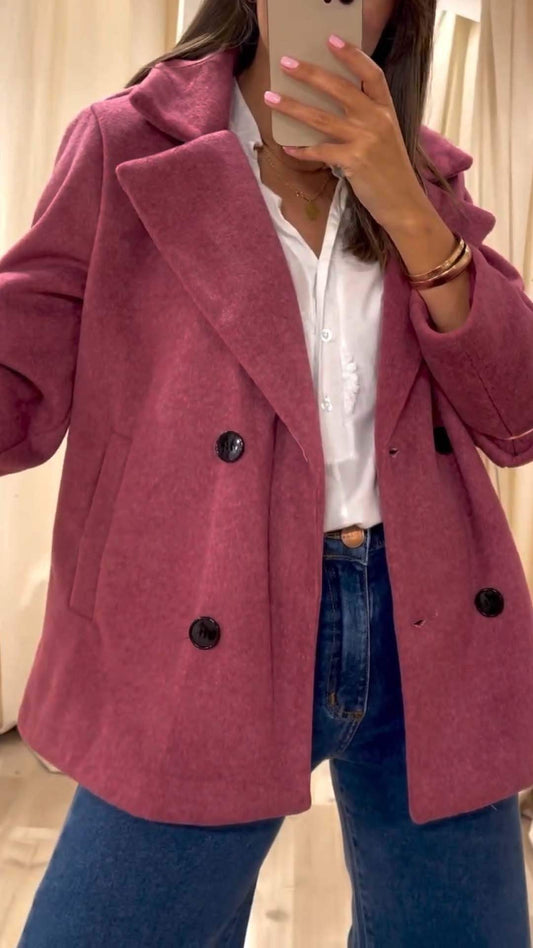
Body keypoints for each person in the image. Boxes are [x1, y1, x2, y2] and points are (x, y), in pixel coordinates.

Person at [8, 0, 533, 945]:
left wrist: (406, 207)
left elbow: (515, 415)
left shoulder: (423, 177)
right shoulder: (127, 144)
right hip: (202, 609)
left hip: (428, 613)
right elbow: (20, 383)